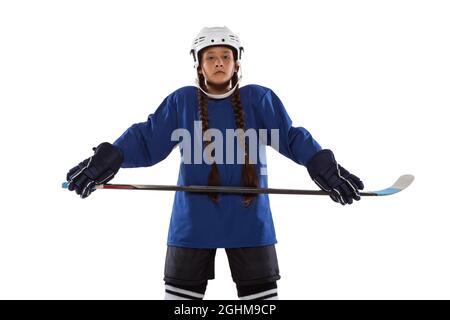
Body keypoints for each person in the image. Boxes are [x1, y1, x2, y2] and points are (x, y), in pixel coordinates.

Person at [65, 26, 364, 300]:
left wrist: (322, 165)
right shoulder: (182, 102)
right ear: (199, 64)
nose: (219, 62)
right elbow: (146, 139)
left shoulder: (259, 100)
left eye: (225, 56)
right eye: (211, 57)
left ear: (237, 63)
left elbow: (291, 137)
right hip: (192, 224)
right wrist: (109, 158)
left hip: (250, 222)